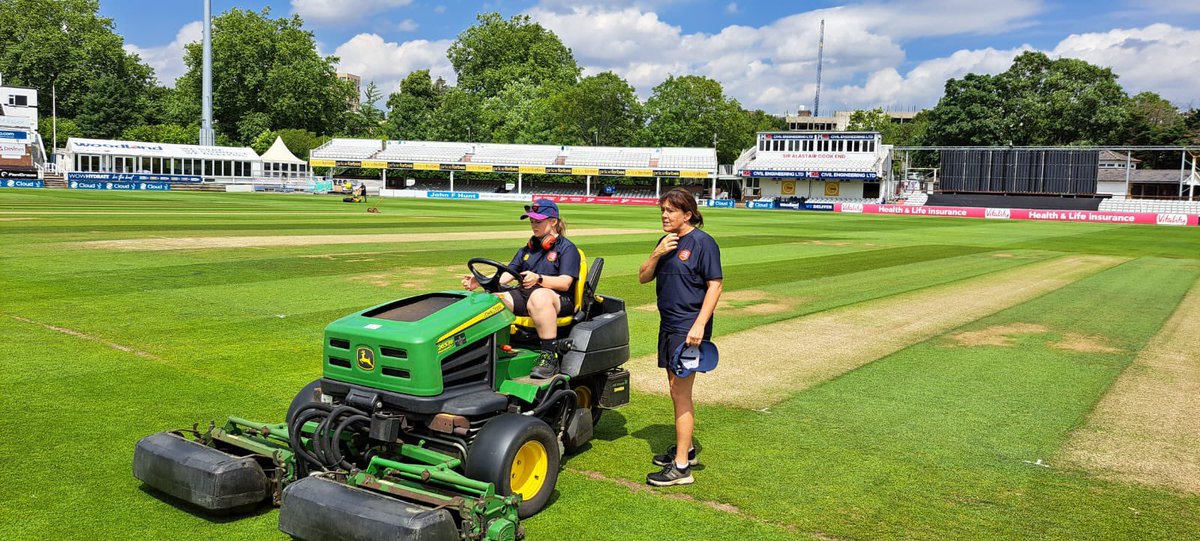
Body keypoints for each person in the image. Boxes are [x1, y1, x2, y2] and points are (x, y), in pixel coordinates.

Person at [638, 187, 722, 487]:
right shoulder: (665, 243)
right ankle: (685, 448)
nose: (664, 214)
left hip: (688, 327)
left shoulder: (703, 243)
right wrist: (657, 253)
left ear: (688, 214)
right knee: (675, 389)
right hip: (668, 325)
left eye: (671, 210)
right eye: (662, 209)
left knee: (680, 392)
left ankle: (682, 467)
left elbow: (715, 286)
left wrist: (700, 325)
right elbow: (643, 277)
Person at [462, 199, 580, 379]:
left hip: (558, 298)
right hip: (526, 296)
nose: (533, 225)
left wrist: (539, 278)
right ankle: (488, 349)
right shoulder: (528, 248)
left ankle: (549, 355)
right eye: (532, 221)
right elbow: (506, 274)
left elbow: (565, 283)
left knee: (539, 296)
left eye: (538, 221)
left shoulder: (567, 248)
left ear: (553, 221)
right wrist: (480, 282)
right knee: (492, 300)